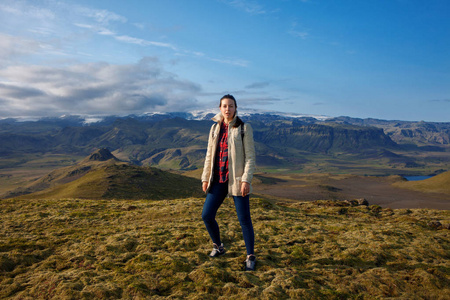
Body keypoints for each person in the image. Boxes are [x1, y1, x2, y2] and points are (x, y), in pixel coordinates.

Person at [201, 94, 257, 271]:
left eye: (231, 106)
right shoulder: (214, 128)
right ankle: (218, 246)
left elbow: (250, 157)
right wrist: (205, 177)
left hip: (237, 181)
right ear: (220, 108)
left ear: (235, 108)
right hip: (217, 179)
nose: (227, 109)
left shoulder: (244, 128)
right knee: (207, 215)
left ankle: (250, 256)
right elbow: (209, 155)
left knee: (244, 220)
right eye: (224, 106)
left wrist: (246, 180)